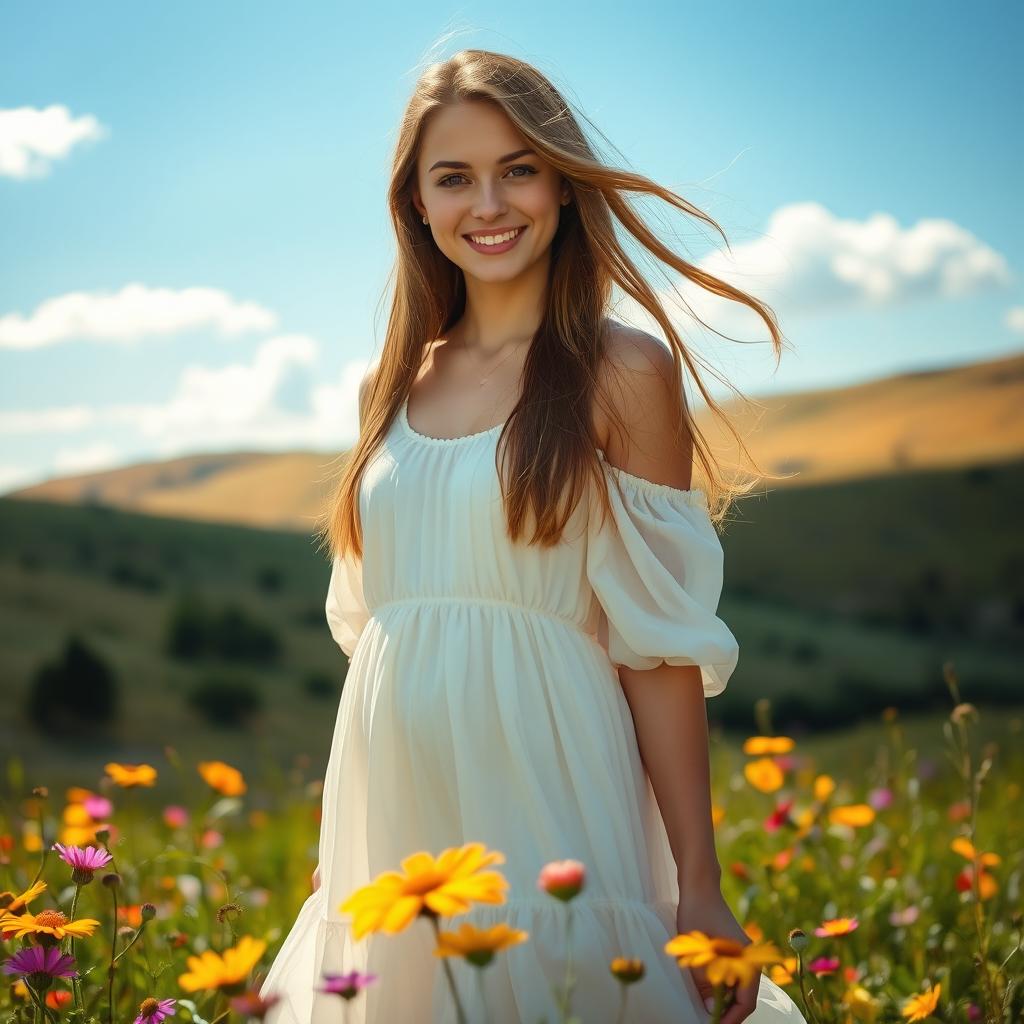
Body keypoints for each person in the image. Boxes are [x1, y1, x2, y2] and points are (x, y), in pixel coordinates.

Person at [260, 48, 804, 1024]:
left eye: (516, 166)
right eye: (453, 176)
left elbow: (657, 648)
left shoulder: (619, 369)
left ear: (560, 180)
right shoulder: (384, 388)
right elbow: (381, 631)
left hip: (551, 773)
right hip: (398, 804)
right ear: (416, 204)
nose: (488, 201)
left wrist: (699, 881)